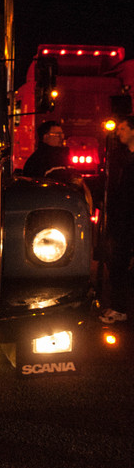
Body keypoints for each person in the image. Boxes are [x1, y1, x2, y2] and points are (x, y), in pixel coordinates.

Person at [99, 115, 134, 323]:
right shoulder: (121, 156)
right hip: (122, 218)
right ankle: (119, 307)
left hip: (128, 218)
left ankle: (120, 308)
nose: (118, 132)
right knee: (117, 263)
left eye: (122, 128)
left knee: (120, 263)